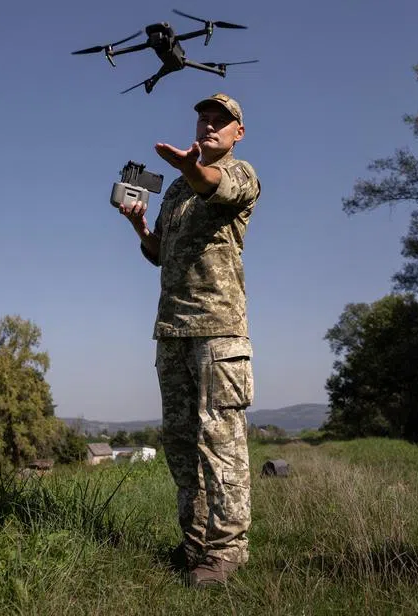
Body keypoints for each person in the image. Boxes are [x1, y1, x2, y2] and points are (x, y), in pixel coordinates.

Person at [118, 92, 260, 588]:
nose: (208, 126)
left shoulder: (241, 175)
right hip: (172, 330)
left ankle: (226, 551)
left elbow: (213, 184)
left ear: (237, 132)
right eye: (202, 118)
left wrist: (191, 167)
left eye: (220, 121)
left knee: (221, 442)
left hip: (219, 331)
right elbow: (161, 254)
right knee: (181, 444)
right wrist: (140, 227)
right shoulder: (176, 191)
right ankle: (195, 543)